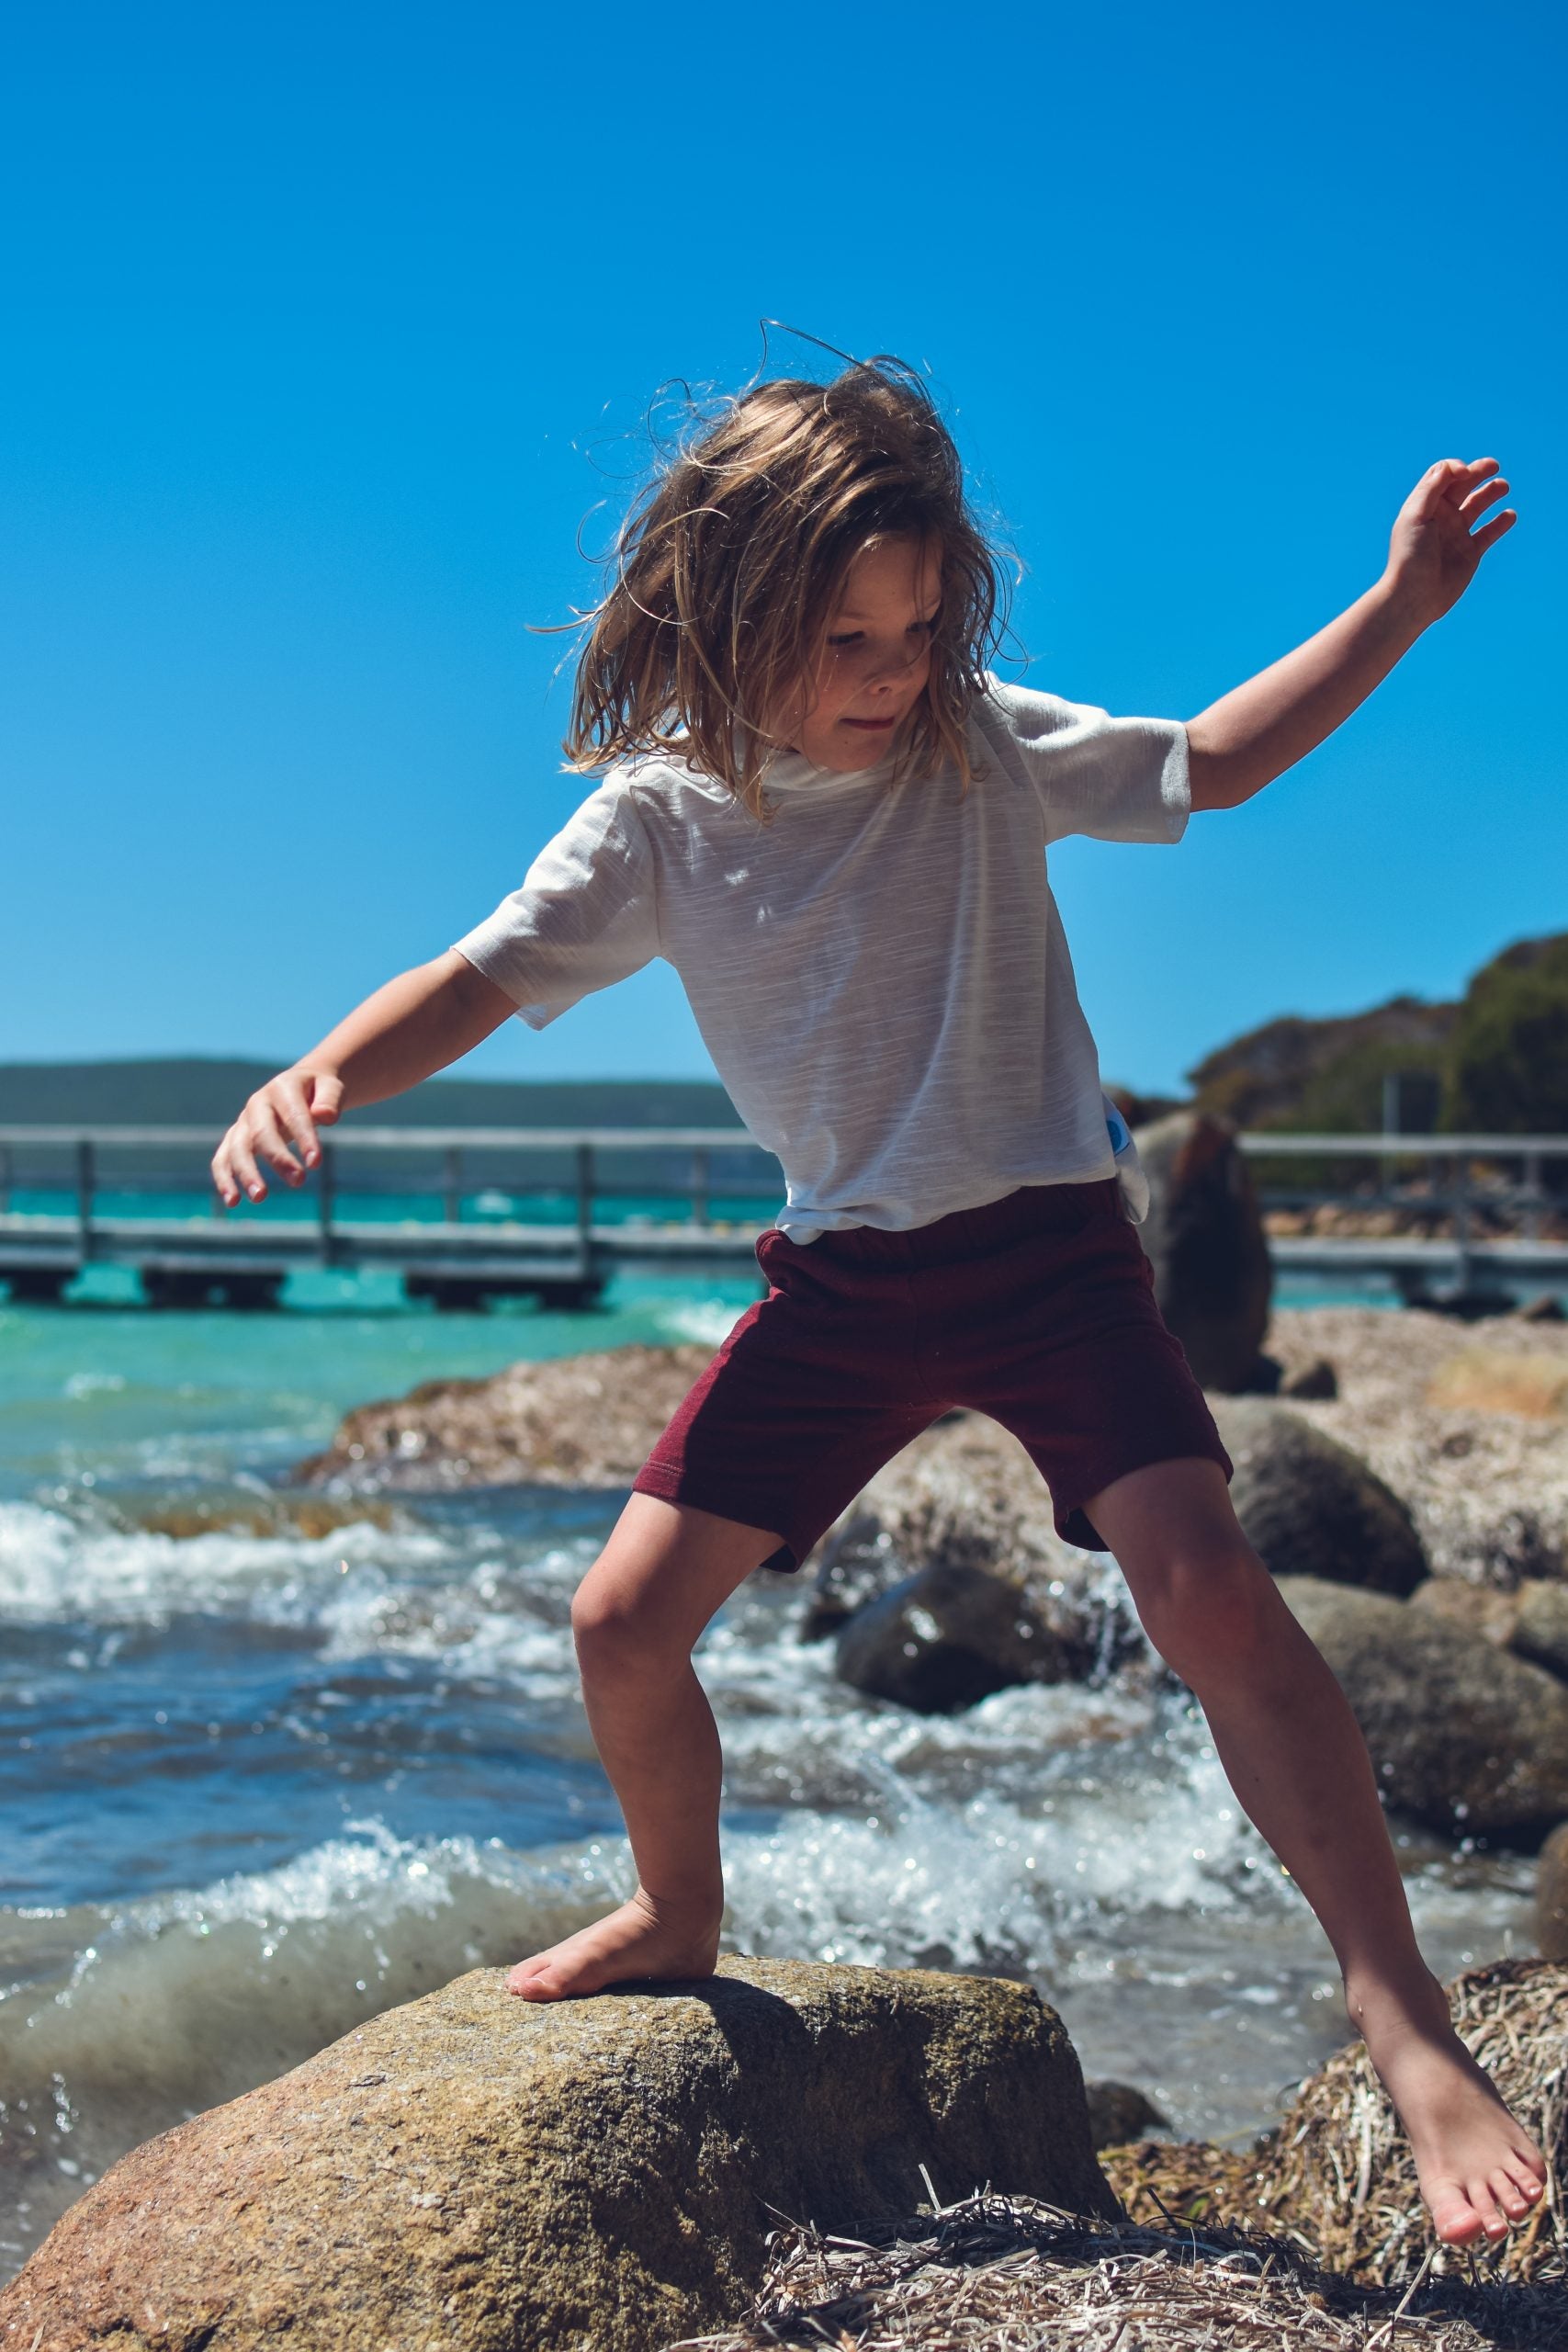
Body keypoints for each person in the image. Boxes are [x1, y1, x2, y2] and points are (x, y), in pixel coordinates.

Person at [212, 360, 1543, 2250]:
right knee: (616, 1620)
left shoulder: (975, 746)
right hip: (842, 1279)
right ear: (724, 603)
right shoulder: (656, 821)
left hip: (1054, 1251)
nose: (892, 666)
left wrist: (1398, 604)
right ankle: (679, 1908)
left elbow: (1212, 760)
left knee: (1209, 1587)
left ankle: (1396, 2007)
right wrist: (325, 1070)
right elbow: (477, 977)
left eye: (919, 626)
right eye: (846, 634)